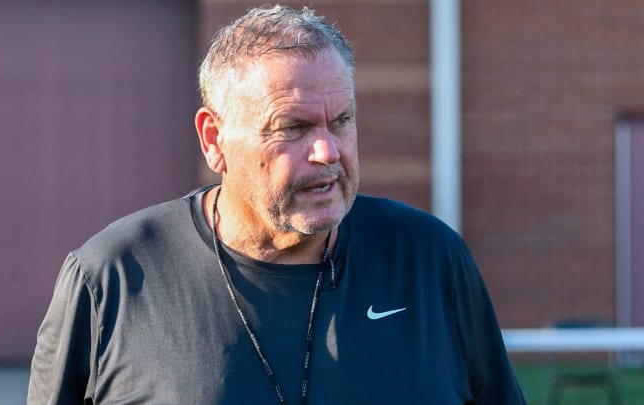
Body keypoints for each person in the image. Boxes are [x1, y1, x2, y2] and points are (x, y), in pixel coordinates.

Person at [28, 5, 526, 404]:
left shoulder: (428, 258)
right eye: (293, 128)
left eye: (342, 121)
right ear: (214, 139)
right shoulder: (110, 279)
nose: (328, 151)